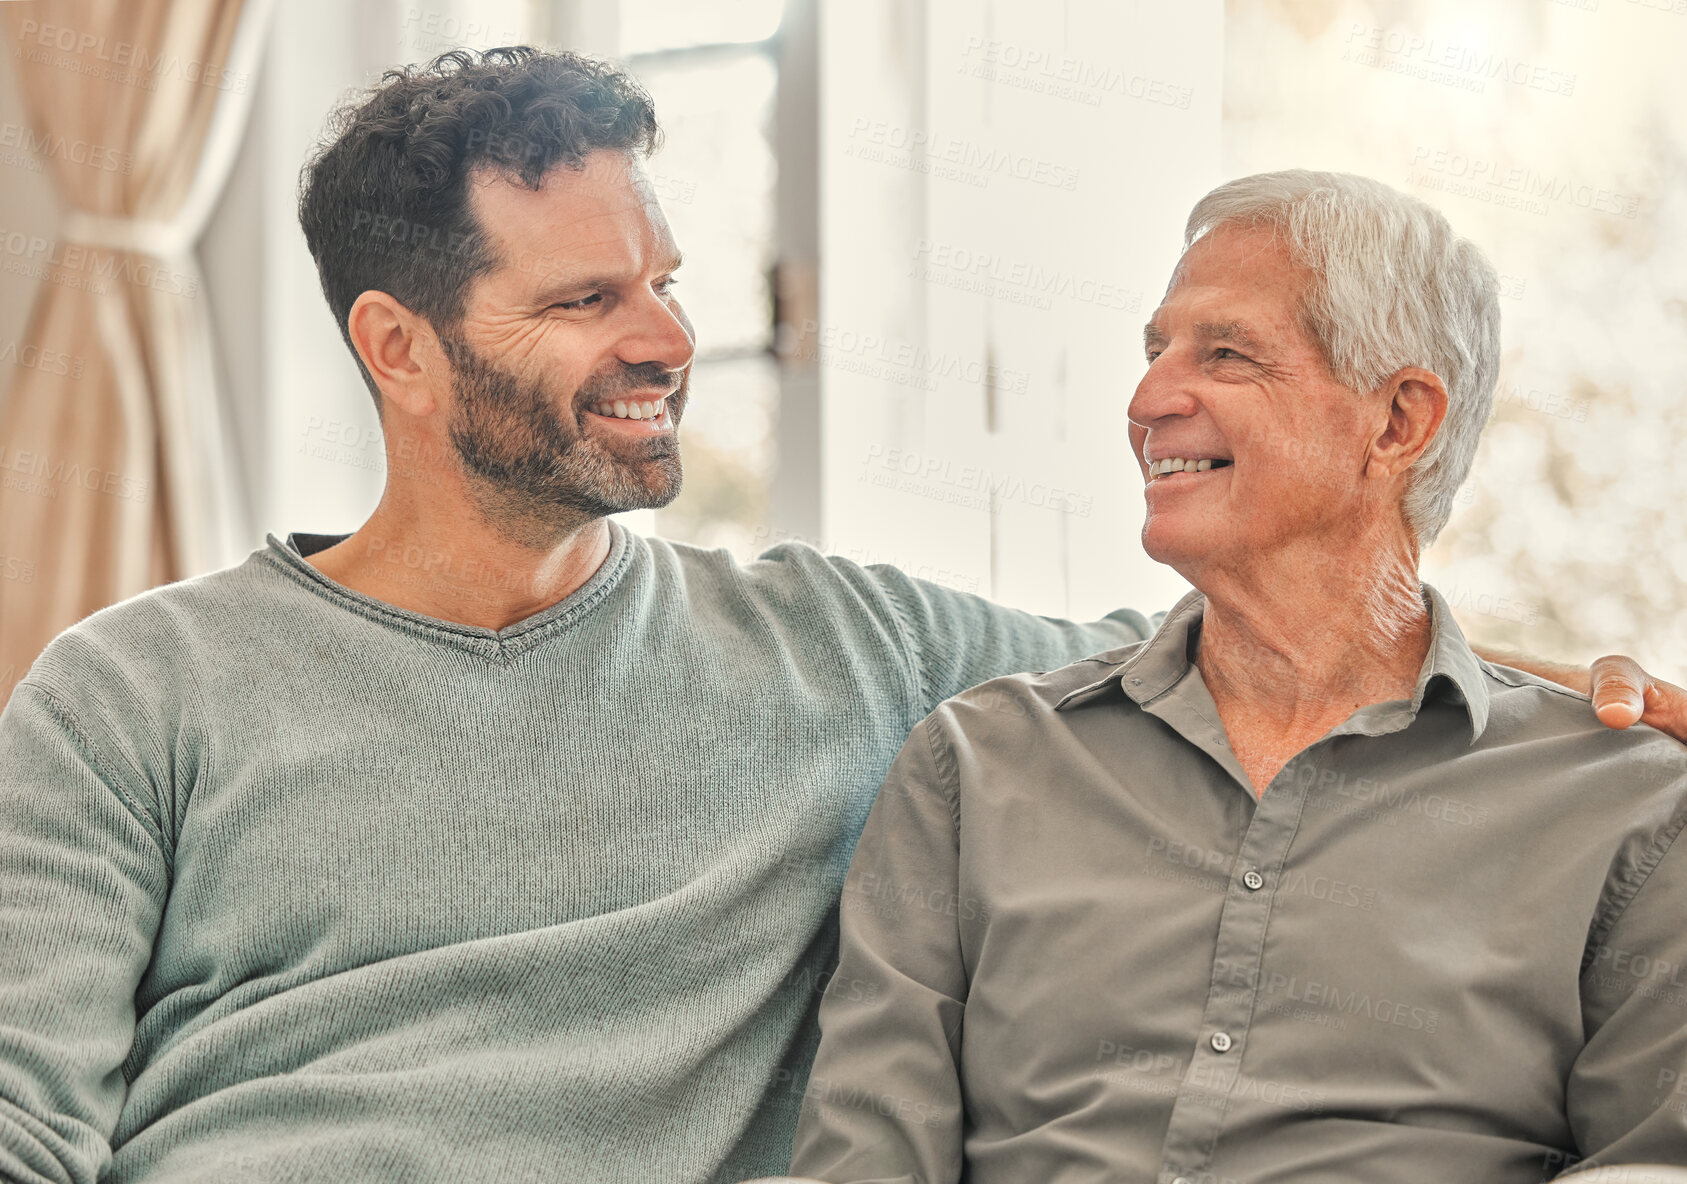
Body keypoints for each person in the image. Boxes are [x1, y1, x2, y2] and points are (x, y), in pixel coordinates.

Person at [0, 50, 1675, 1184]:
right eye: (587, 299)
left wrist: (1594, 686)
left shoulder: (851, 654)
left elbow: (1294, 629)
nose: (661, 335)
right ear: (401, 347)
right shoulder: (136, 691)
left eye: (663, 276)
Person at [786, 170, 1687, 1183]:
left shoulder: (1628, 807)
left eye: (1226, 353)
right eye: (1154, 350)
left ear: (1397, 422)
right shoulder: (981, 763)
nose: (1145, 399)